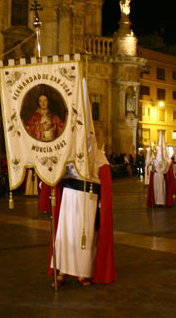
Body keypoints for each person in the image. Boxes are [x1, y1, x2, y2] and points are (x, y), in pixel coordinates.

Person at [49, 109, 115, 287]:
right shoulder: (69, 154)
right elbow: (55, 174)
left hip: (90, 200)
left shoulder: (100, 158)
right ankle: (62, 270)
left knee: (85, 237)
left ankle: (82, 273)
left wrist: (102, 205)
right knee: (67, 234)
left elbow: (105, 184)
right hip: (70, 198)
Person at [146, 132, 176, 208]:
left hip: (160, 176)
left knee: (162, 190)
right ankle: (156, 202)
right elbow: (151, 167)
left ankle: (162, 202)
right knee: (156, 190)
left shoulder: (165, 161)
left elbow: (165, 169)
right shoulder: (155, 160)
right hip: (156, 176)